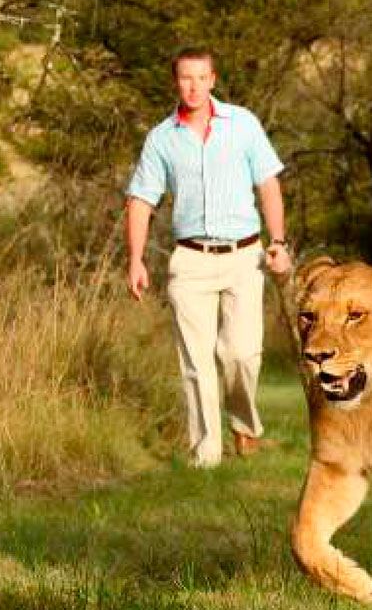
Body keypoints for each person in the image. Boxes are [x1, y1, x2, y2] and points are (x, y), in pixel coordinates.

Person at [124, 48, 292, 468]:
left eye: (201, 77)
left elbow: (268, 185)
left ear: (213, 79)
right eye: (185, 78)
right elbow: (141, 200)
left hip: (243, 256)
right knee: (196, 362)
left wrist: (279, 241)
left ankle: (245, 425)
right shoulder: (162, 137)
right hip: (191, 260)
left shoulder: (243, 124)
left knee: (242, 354)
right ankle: (207, 455)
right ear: (176, 82)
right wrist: (136, 259)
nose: (193, 86)